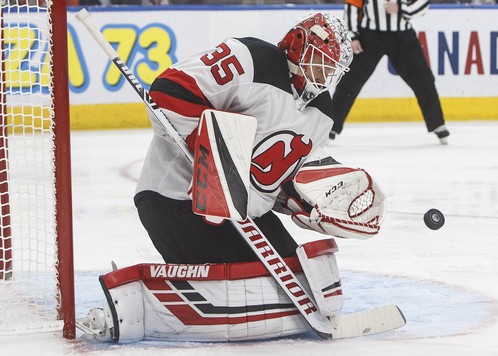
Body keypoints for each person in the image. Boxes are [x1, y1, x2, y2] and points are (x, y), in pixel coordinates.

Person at [76, 12, 387, 343]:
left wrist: (305, 205)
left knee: (299, 283)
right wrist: (215, 156)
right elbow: (169, 91)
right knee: (245, 290)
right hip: (177, 199)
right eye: (319, 62)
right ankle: (145, 308)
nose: (324, 75)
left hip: (243, 214)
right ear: (297, 46)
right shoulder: (252, 59)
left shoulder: (322, 113)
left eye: (331, 68)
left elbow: (275, 182)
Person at [330, 0, 450, 144]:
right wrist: (353, 36)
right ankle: (331, 126)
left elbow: (423, 5)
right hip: (369, 35)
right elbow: (352, 5)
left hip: (402, 36)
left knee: (423, 79)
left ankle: (437, 123)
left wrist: (400, 8)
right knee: (350, 82)